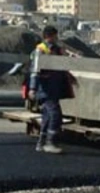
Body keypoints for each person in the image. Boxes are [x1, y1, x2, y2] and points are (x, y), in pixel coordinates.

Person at [27, 26, 73, 154]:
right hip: (45, 89)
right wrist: (32, 89)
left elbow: (61, 66)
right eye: (55, 36)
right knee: (55, 114)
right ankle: (50, 142)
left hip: (53, 88)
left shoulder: (56, 50)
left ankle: (41, 143)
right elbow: (35, 71)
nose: (57, 38)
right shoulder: (41, 50)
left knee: (47, 117)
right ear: (50, 36)